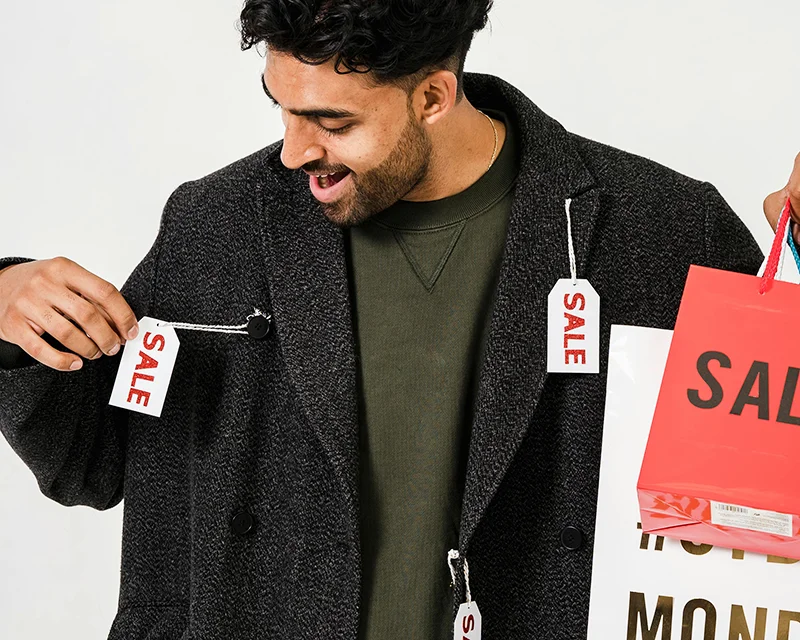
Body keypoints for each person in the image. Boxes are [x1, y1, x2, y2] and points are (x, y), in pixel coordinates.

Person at [0, 1, 797, 638]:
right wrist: (10, 311)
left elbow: (769, 485)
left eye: (333, 122)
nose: (293, 151)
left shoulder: (661, 228)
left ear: (433, 96)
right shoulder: (218, 222)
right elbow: (89, 464)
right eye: (283, 108)